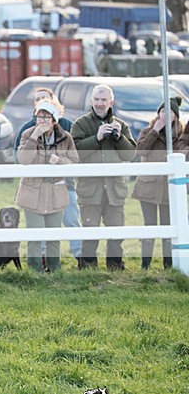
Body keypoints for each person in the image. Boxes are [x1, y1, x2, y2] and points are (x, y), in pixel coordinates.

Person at [70, 84, 136, 270]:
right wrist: (96, 138)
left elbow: (130, 155)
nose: (100, 104)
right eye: (97, 100)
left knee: (116, 231)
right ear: (91, 101)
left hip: (115, 189)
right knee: (91, 231)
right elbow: (75, 153)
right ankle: (87, 268)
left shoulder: (121, 126)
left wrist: (119, 138)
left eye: (103, 100)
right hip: (90, 190)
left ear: (111, 102)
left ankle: (115, 267)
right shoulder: (80, 124)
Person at [13, 87, 82, 262]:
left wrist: (59, 161)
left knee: (54, 236)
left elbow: (74, 162)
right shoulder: (28, 133)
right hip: (33, 190)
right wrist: (35, 136)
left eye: (46, 117)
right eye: (39, 116)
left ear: (54, 120)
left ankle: (54, 269)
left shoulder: (65, 137)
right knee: (35, 235)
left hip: (56, 190)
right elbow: (23, 158)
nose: (42, 120)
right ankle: (35, 270)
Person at [133, 97, 183, 270]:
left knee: (168, 228)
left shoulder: (180, 136)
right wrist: (156, 130)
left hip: (169, 189)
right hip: (147, 187)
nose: (164, 115)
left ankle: (168, 266)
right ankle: (145, 265)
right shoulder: (148, 131)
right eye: (162, 111)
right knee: (150, 226)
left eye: (169, 113)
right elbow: (140, 150)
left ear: (176, 116)